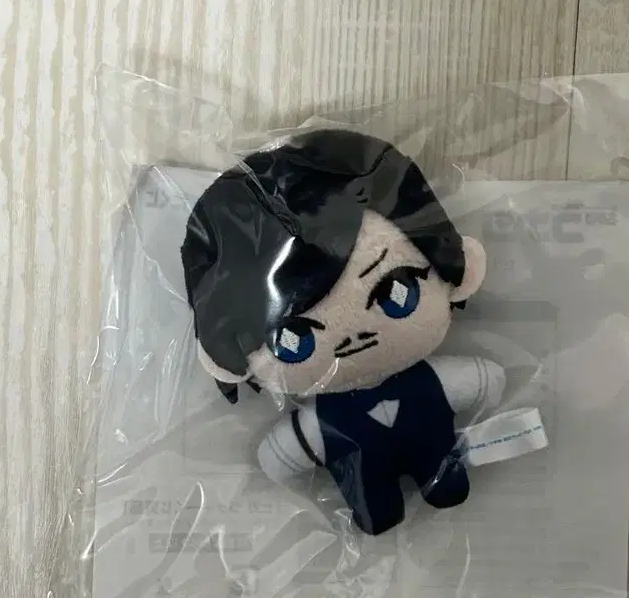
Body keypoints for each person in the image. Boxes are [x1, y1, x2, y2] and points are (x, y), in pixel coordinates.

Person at [181, 128, 504, 535]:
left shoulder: (416, 387)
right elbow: (486, 381)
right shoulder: (328, 418)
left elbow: (279, 459)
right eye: (295, 340)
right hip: (364, 472)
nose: (356, 338)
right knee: (375, 507)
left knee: (446, 483)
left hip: (437, 454)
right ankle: (378, 506)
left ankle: (437, 484)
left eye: (396, 292)